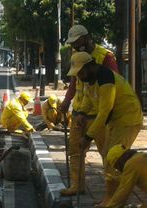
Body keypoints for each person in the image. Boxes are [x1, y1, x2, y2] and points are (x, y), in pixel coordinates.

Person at [67, 51, 143, 207]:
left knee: (113, 158)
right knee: (110, 156)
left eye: (81, 72)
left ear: (90, 67)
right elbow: (89, 98)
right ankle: (113, 197)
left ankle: (112, 200)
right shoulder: (90, 79)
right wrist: (82, 113)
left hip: (128, 119)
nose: (79, 76)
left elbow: (104, 112)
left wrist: (87, 137)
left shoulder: (105, 80)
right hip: (115, 120)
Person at [60, 25, 119, 196]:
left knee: (107, 153)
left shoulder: (105, 57)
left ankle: (112, 192)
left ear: (87, 38)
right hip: (79, 112)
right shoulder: (75, 56)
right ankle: (77, 185)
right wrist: (66, 101)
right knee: (75, 151)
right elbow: (73, 83)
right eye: (72, 43)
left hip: (99, 114)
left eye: (77, 42)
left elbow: (115, 84)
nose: (75, 46)